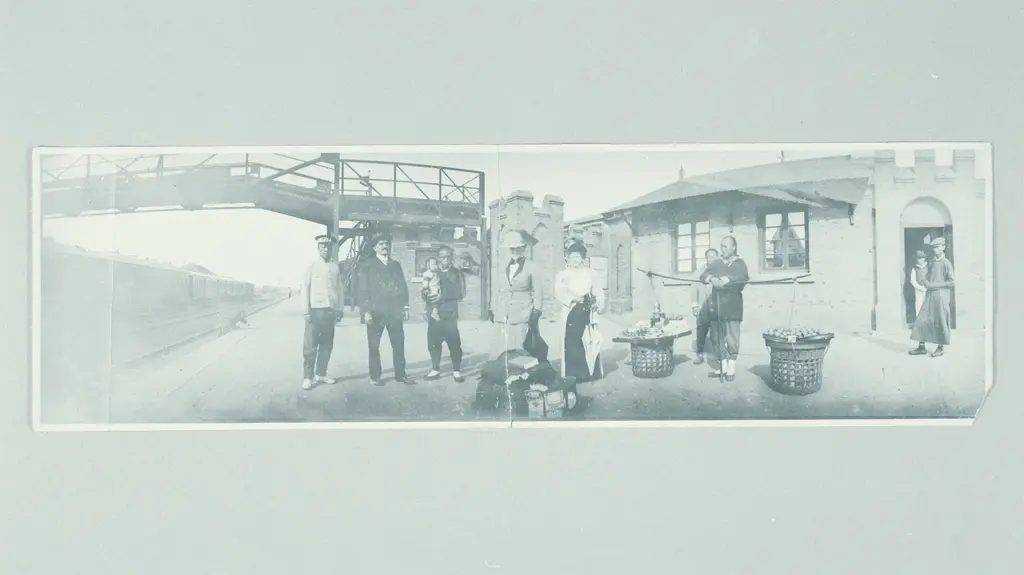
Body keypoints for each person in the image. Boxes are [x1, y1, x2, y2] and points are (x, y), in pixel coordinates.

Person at [357, 233, 416, 386]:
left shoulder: (395, 265)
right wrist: (366, 311)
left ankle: (400, 375)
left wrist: (406, 306)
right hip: (375, 312)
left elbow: (403, 286)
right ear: (375, 247)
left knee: (398, 344)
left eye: (386, 243)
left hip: (394, 312)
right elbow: (363, 290)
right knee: (374, 346)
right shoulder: (368, 265)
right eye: (381, 244)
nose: (385, 246)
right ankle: (375, 377)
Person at [554, 240, 604, 383]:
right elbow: (559, 292)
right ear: (567, 258)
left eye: (578, 257)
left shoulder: (590, 273)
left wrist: (597, 303)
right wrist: (573, 299)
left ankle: (590, 373)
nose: (575, 260)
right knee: (572, 341)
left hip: (587, 311)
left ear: (583, 259)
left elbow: (598, 290)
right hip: (571, 311)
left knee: (590, 340)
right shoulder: (563, 275)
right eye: (572, 257)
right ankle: (574, 374)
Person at [301, 234, 344, 391]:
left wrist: (339, 308)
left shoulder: (335, 267)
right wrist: (306, 310)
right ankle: (308, 377)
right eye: (323, 246)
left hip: (330, 310)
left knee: (327, 344)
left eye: (329, 247)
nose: (326, 249)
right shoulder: (312, 266)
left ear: (332, 249)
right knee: (311, 345)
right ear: (318, 248)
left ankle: (321, 373)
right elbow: (304, 289)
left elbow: (339, 290)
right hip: (315, 310)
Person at [703, 235, 749, 382]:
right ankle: (722, 363)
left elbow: (743, 277)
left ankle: (731, 367)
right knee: (715, 336)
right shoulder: (716, 263)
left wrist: (727, 280)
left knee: (732, 337)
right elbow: (703, 274)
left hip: (733, 305)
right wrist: (711, 279)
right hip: (717, 305)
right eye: (721, 246)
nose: (722, 249)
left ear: (733, 247)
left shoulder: (739, 263)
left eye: (725, 246)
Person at [490, 229, 543, 356]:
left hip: (522, 312)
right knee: (501, 346)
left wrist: (537, 311)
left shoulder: (532, 266)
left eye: (517, 248)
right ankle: (502, 373)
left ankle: (519, 374)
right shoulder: (502, 265)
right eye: (511, 249)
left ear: (523, 248)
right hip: (503, 311)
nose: (514, 251)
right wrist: (492, 308)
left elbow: (538, 291)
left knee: (519, 346)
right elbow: (496, 287)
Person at [422, 245, 467, 382]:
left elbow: (461, 293)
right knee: (433, 342)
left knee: (453, 342)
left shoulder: (456, 272)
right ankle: (435, 369)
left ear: (451, 257)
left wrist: (443, 296)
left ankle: (456, 370)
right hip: (434, 313)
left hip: (449, 312)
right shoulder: (432, 271)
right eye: (442, 256)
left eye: (448, 256)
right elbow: (425, 290)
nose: (445, 259)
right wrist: (425, 295)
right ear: (438, 257)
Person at [910, 237, 955, 357]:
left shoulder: (946, 263)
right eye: (933, 247)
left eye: (937, 247)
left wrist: (933, 285)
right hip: (930, 295)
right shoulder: (932, 262)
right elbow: (929, 276)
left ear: (943, 247)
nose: (935, 250)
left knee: (940, 321)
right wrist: (925, 281)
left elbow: (951, 282)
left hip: (941, 296)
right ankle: (921, 347)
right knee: (922, 319)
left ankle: (940, 348)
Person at [690, 248, 721, 365]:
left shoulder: (721, 271)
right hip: (703, 306)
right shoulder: (699, 272)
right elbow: (693, 289)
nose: (710, 259)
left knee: (717, 332)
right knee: (701, 331)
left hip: (717, 306)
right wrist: (694, 306)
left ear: (717, 258)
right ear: (706, 259)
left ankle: (718, 356)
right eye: (708, 257)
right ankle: (700, 354)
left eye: (713, 256)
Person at [908, 249, 929, 323]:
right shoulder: (914, 269)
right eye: (918, 258)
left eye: (922, 258)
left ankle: (927, 322)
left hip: (927, 289)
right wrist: (919, 287)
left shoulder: (929, 267)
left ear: (924, 258)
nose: (920, 260)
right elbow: (912, 281)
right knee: (919, 305)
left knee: (927, 305)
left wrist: (927, 287)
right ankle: (919, 322)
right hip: (918, 290)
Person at [421, 257, 442, 322]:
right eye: (433, 264)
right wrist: (426, 288)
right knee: (435, 303)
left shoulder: (437, 273)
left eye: (436, 264)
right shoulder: (428, 273)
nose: (435, 266)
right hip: (432, 290)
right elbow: (425, 282)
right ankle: (434, 313)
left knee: (431, 303)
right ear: (428, 266)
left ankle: (426, 312)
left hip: (436, 289)